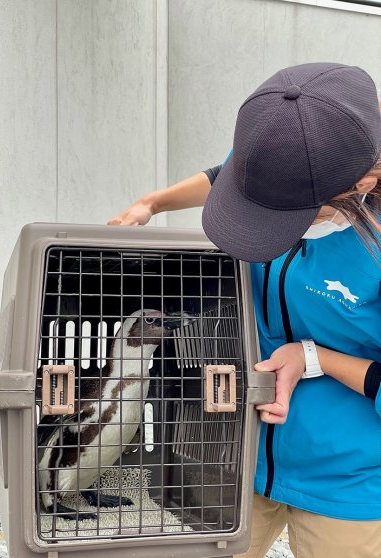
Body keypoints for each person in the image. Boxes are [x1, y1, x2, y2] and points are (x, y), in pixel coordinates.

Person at [108, 63, 381, 558]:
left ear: (363, 180)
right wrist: (152, 203)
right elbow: (222, 175)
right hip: (238, 456)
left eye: (291, 212)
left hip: (349, 480)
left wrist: (314, 358)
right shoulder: (285, 153)